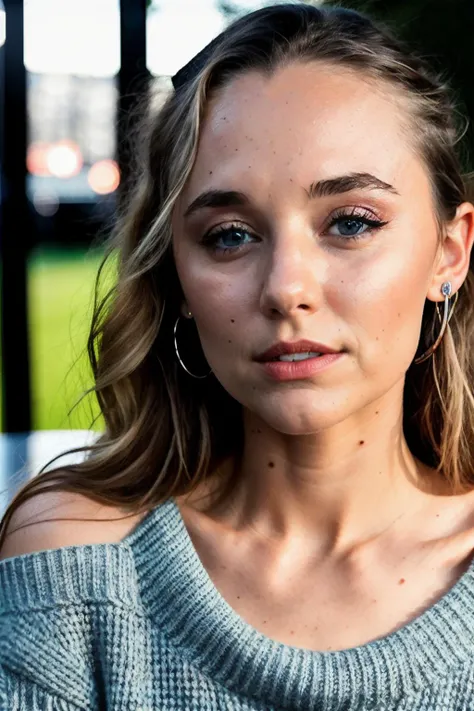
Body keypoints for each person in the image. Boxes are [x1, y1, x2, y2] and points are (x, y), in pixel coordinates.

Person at [2, 3, 474, 709]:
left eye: (350, 222)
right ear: (179, 281)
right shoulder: (74, 569)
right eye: (229, 235)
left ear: (450, 251)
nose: (287, 288)